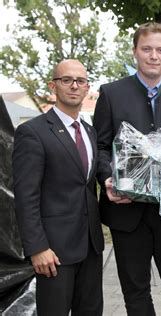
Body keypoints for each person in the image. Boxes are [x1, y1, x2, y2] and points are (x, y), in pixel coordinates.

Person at [93, 22, 161, 315]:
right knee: (135, 289)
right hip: (127, 210)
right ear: (135, 52)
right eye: (147, 49)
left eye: (160, 50)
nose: (154, 55)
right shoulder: (111, 94)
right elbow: (100, 146)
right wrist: (107, 178)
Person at [13, 59, 104, 315]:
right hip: (54, 252)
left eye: (81, 81)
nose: (74, 86)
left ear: (87, 88)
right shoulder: (32, 132)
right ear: (53, 86)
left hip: (90, 245)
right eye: (67, 80)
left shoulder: (89, 131)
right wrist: (38, 248)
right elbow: (25, 196)